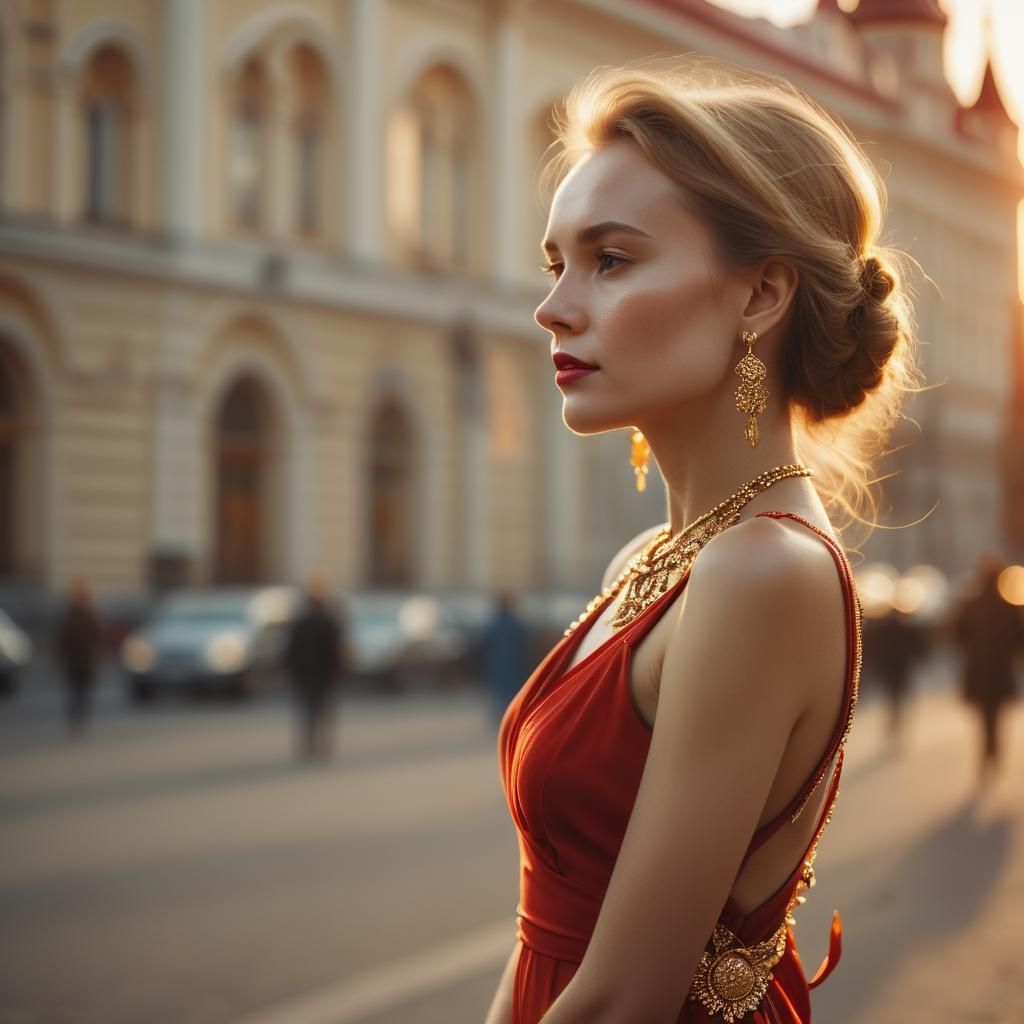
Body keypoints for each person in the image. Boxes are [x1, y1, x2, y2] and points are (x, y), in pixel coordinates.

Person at [488, 57, 923, 1024]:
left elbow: (623, 1001)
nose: (552, 306)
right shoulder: (655, 559)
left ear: (761, 296)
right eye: (556, 262)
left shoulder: (761, 570)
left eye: (612, 259)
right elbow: (547, 938)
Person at [950, 552, 1022, 785]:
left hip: (979, 669)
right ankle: (993, 751)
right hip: (999, 670)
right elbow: (1019, 638)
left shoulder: (971, 601)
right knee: (995, 716)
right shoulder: (1008, 604)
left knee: (985, 716)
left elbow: (958, 634)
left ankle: (987, 751)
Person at [284, 572, 348, 762]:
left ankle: (312, 744)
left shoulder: (309, 618)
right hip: (318, 673)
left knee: (311, 710)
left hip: (311, 672)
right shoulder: (325, 617)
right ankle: (317, 744)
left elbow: (291, 648)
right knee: (319, 710)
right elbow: (337, 648)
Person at [55, 579, 104, 737]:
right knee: (79, 692)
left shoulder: (80, 615)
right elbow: (63, 638)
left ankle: (78, 722)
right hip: (81, 660)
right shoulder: (83, 615)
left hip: (81, 660)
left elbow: (97, 637)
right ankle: (78, 722)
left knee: (79, 692)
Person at [479, 589, 532, 728]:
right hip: (514, 665)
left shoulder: (494, 624)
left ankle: (503, 721)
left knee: (500, 694)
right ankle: (512, 720)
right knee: (512, 694)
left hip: (498, 665)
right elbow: (525, 645)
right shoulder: (516, 624)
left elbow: (484, 645)